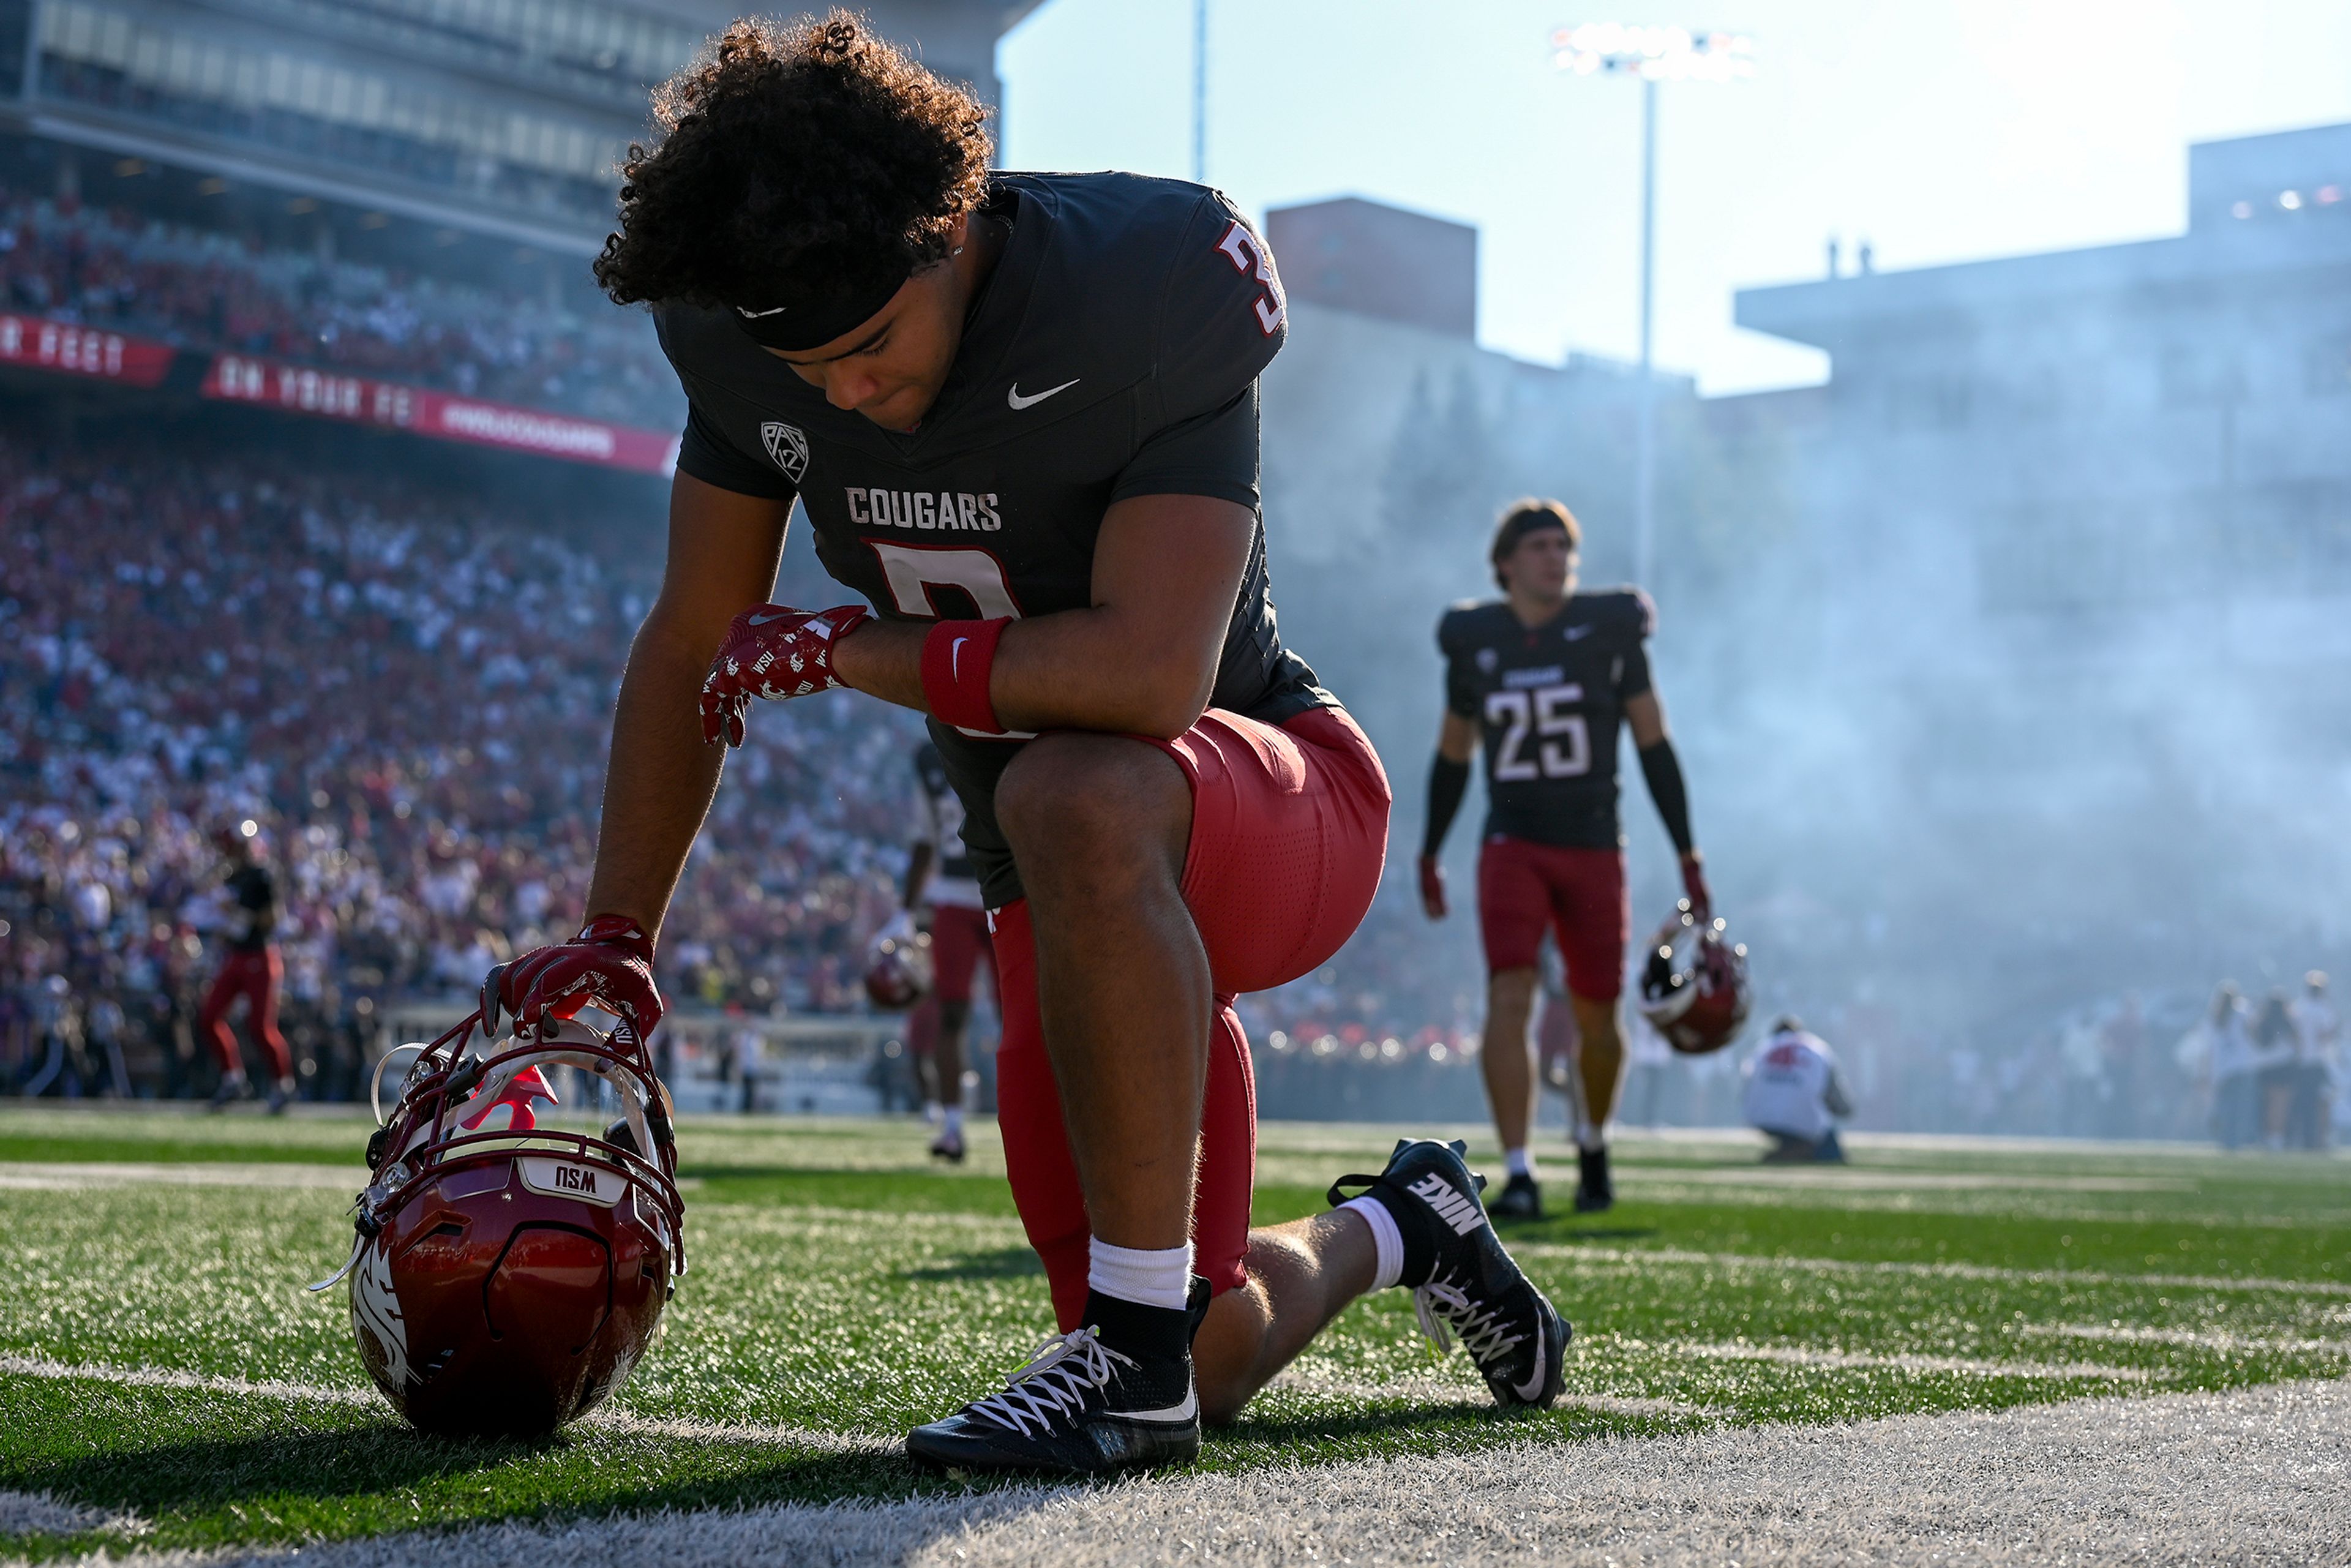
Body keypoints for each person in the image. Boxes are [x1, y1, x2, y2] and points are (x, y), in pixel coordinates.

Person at [479, 15, 1565, 1477]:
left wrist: (855, 648)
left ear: (949, 235)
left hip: (1262, 800)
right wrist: (619, 929)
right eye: (807, 373)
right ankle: (1400, 1222)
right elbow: (691, 637)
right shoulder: (752, 349)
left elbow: (1146, 674)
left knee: (1074, 779)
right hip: (1049, 885)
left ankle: (1127, 1367)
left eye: (866, 348)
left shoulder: (1145, 283)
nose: (844, 395)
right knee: (1213, 1338)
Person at [1418, 499, 1709, 1217]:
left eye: (1564, 545)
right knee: (1508, 995)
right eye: (1540, 545)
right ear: (1506, 563)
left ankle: (1592, 1139)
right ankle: (1519, 1167)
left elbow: (1654, 746)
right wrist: (1430, 848)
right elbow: (1454, 755)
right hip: (1512, 843)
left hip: (1592, 842)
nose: (1557, 556)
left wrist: (1687, 853)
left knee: (1598, 1014)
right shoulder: (1474, 641)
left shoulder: (1610, 633)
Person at [888, 740, 997, 1163]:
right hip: (953, 895)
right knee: (951, 1013)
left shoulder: (1006, 719)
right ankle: (952, 1126)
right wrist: (905, 909)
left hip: (1007, 888)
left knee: (1020, 1016)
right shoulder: (929, 755)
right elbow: (924, 837)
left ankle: (1034, 1122)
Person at [198, 820, 296, 1113]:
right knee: (209, 1017)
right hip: (237, 956)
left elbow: (273, 919)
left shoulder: (261, 876)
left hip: (260, 955)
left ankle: (283, 1085)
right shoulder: (232, 876)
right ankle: (233, 1078)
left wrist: (239, 915)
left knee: (260, 1027)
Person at [1740, 1016, 1853, 1163]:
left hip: (1760, 1117)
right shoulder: (1817, 1047)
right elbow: (1837, 1098)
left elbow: (1747, 1083)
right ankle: (1798, 1151)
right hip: (1803, 1119)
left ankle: (1790, 1150)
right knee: (1831, 1152)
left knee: (1790, 1124)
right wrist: (1844, 1110)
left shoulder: (1763, 1047)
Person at [2289, 971, 2338, 1150]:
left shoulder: (2298, 1007)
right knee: (2322, 1103)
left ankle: (2305, 1140)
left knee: (2304, 1103)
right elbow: (2327, 1034)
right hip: (2319, 1063)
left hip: (2301, 1062)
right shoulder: (2323, 1008)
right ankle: (2319, 1140)